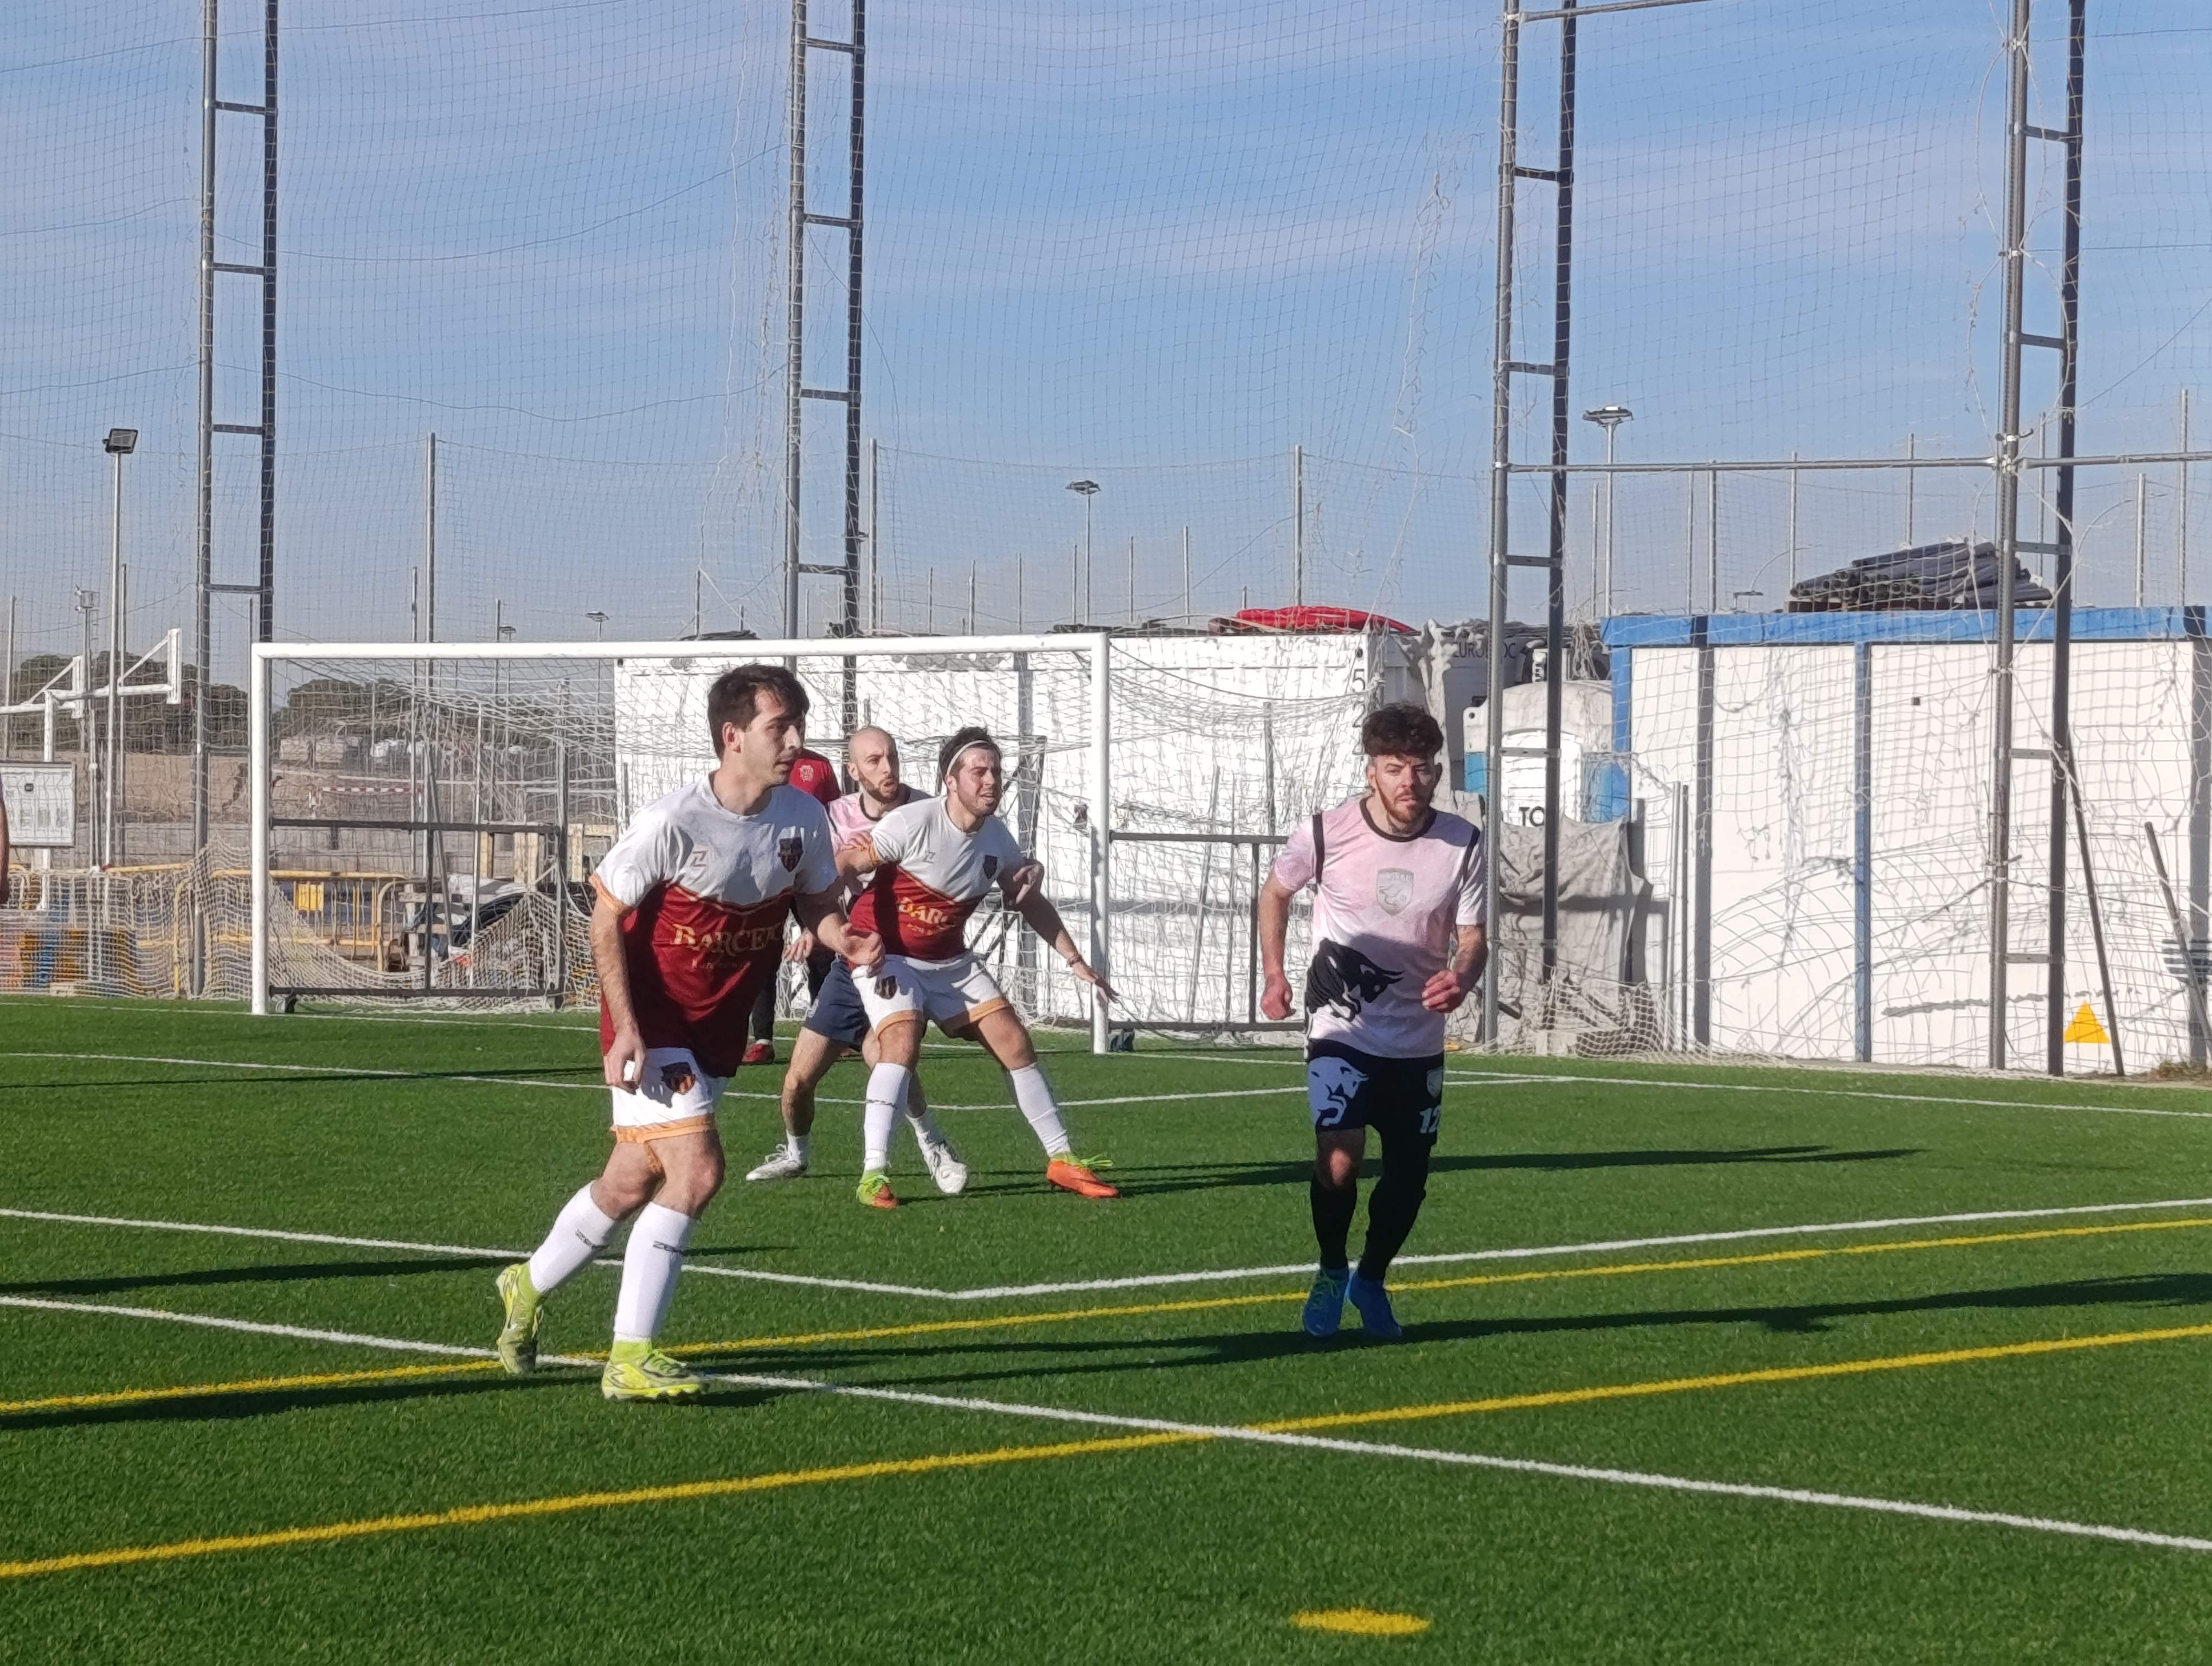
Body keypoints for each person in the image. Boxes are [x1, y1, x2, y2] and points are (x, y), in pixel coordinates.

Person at [493, 665, 880, 1401]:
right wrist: (624, 1029)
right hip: (653, 1019)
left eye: (798, 725)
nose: (795, 741)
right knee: (698, 1171)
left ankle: (528, 1283)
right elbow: (605, 917)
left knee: (632, 1180)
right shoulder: (672, 821)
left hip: (717, 1025)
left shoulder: (802, 817)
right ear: (732, 737)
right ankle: (630, 1358)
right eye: (779, 727)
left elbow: (815, 904)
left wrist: (844, 936)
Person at [1258, 702, 1485, 1342]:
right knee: (1339, 1158)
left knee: (1409, 1179)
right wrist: (1274, 974)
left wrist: (1462, 976)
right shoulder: (1325, 832)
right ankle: (1332, 1270)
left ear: (1436, 770)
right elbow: (1275, 893)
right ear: (1372, 771)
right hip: (1342, 1025)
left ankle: (1372, 1278)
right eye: (1394, 768)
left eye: (1422, 768)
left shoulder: (1463, 842)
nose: (1409, 782)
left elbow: (1473, 936)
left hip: (1417, 1034)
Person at [841, 725, 1120, 1208]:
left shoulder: (998, 838)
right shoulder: (911, 822)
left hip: (949, 959)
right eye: (979, 772)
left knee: (1015, 1041)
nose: (991, 780)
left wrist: (1075, 959)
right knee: (900, 1044)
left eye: (995, 770)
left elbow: (1029, 900)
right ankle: (873, 1174)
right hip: (888, 955)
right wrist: (831, 924)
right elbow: (846, 861)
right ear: (950, 781)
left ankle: (1062, 1159)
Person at [747, 725, 966, 1191]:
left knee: (883, 1057)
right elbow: (818, 883)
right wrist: (814, 928)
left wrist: (1024, 869)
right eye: (874, 761)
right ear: (853, 771)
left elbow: (973, 851)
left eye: (892, 757)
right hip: (851, 963)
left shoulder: (929, 810)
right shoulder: (832, 817)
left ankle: (934, 1143)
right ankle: (796, 1154)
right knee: (796, 1083)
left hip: (901, 962)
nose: (888, 769)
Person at [741, 743, 843, 1065]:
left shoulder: (820, 766)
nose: (794, 734)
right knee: (762, 952)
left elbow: (834, 817)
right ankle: (762, 1039)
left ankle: (826, 1032)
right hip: (768, 875)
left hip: (807, 873)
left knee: (823, 949)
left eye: (800, 723)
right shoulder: (759, 761)